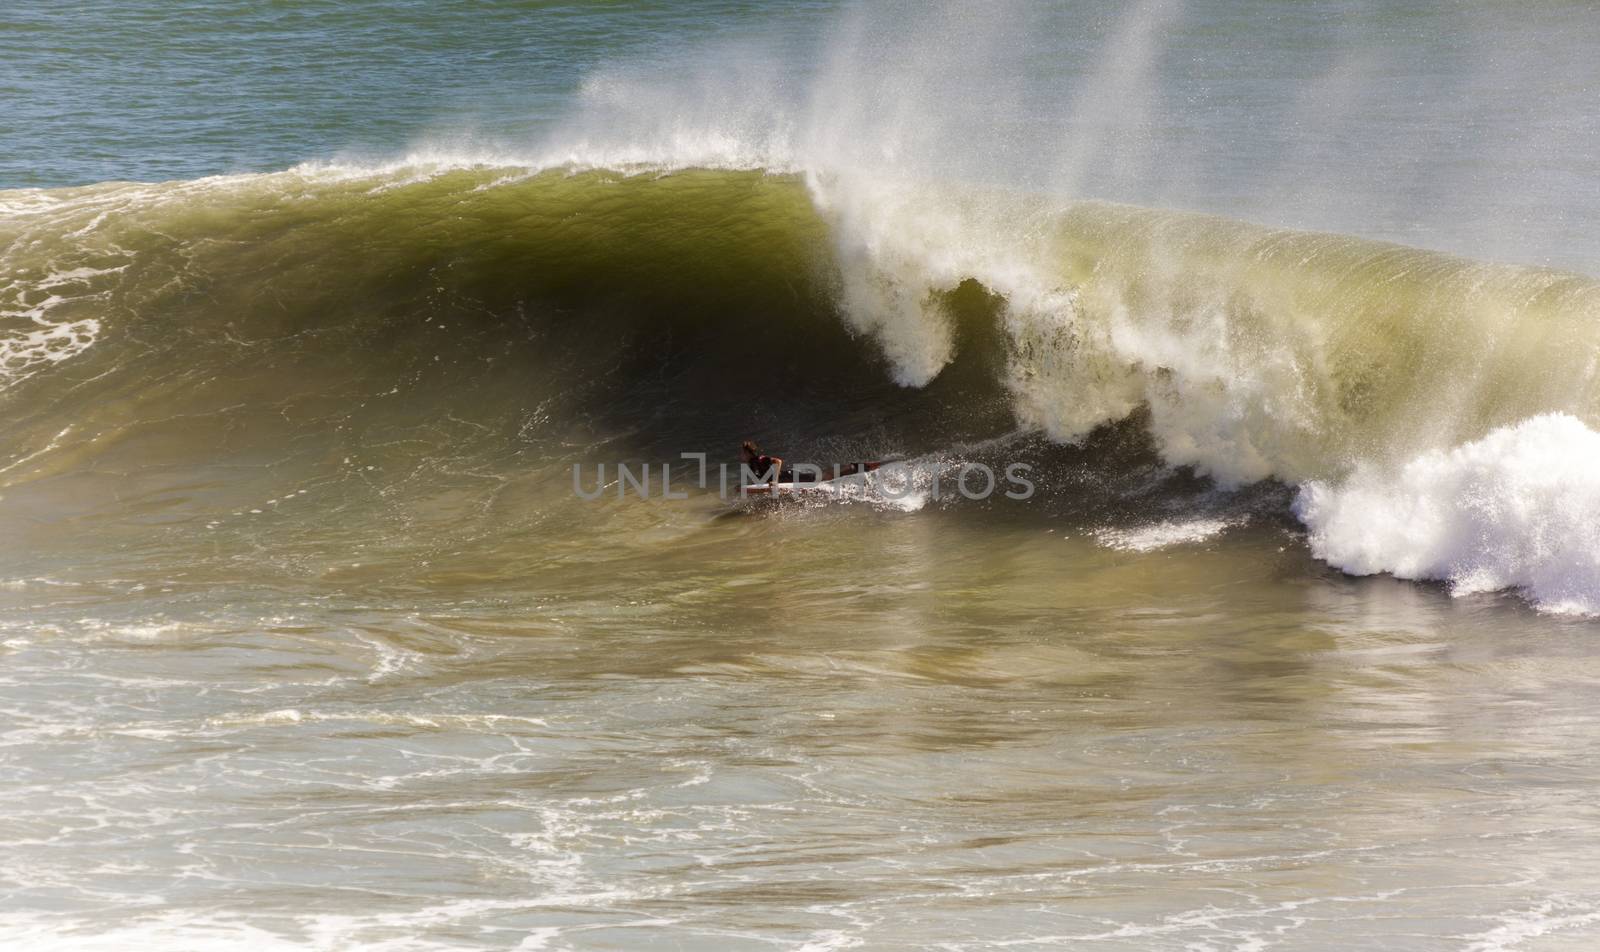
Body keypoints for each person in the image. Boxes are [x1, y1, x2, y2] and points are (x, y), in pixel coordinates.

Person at [739, 441, 878, 486]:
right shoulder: (751, 465)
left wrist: (775, 481)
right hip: (784, 481)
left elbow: (778, 461)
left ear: (748, 453)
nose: (741, 456)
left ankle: (858, 466)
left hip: (787, 477)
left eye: (742, 453)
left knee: (822, 478)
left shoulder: (760, 459)